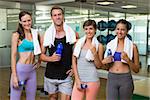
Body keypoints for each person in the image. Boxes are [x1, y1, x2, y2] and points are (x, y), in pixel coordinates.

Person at [40, 6, 76, 100]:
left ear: (63, 16)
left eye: (59, 14)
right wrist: (51, 58)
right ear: (52, 17)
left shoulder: (72, 34)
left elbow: (76, 54)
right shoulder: (46, 35)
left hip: (66, 74)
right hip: (50, 74)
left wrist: (73, 68)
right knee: (53, 98)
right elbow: (41, 56)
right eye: (55, 15)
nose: (57, 17)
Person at [102, 19, 140, 100]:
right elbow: (105, 67)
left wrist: (128, 60)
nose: (119, 32)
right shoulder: (110, 45)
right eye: (118, 29)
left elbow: (136, 69)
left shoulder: (133, 47)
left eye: (122, 29)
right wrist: (104, 62)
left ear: (127, 31)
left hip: (125, 79)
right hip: (112, 78)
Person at [10, 11, 41, 100]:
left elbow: (39, 50)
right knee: (15, 98)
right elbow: (13, 56)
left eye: (29, 20)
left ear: (31, 20)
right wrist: (14, 76)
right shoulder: (16, 35)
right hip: (20, 70)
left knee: (31, 98)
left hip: (32, 70)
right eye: (24, 21)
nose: (27, 23)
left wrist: (39, 61)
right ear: (20, 22)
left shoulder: (35, 33)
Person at [71, 19, 104, 100]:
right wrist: (77, 79)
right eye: (86, 29)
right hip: (79, 79)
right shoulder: (78, 43)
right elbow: (74, 61)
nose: (88, 31)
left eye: (91, 29)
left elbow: (99, 65)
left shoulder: (99, 46)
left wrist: (94, 53)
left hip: (92, 80)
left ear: (95, 30)